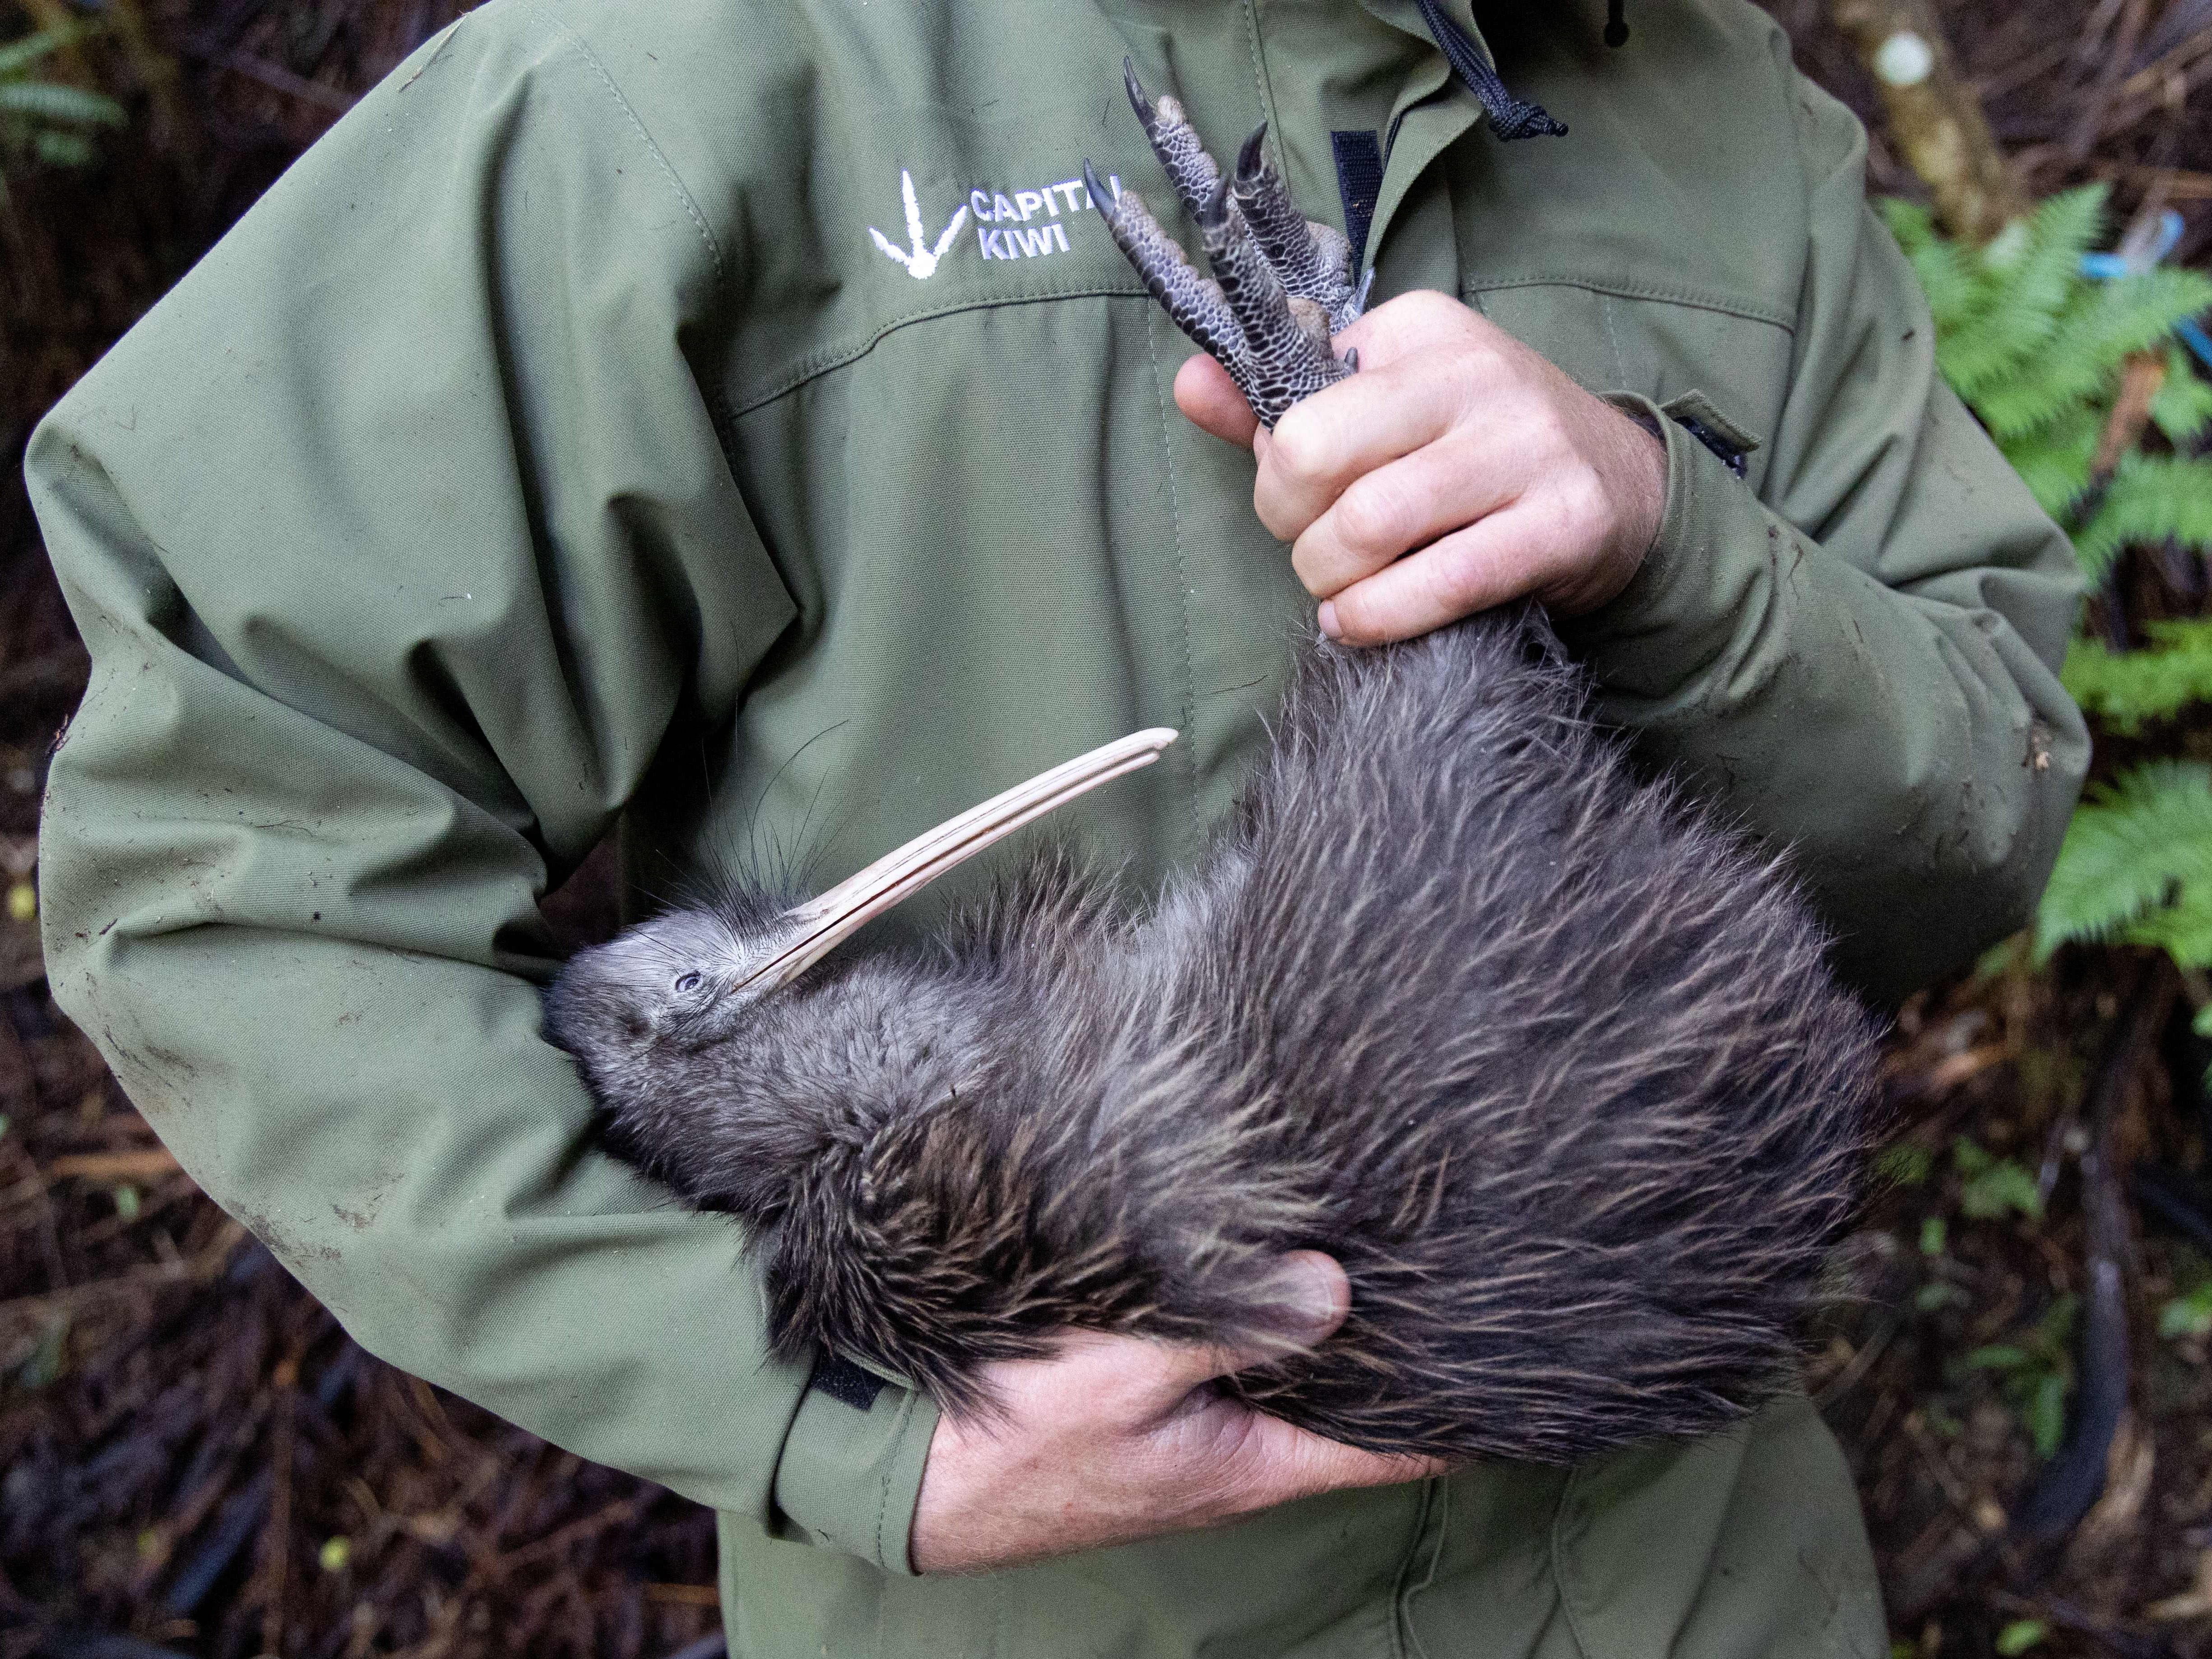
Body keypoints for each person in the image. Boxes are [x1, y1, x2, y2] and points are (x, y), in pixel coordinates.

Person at [29, 0, 2088, 1652]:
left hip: (1697, 1586)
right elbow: (229, 850)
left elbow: (1969, 818)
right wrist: (826, 1430)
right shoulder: (678, 85)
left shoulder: (1712, 101)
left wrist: (1656, 532)